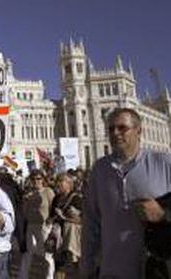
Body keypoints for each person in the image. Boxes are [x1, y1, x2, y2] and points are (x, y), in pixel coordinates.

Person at [81, 107, 171, 279]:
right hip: (112, 270)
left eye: (122, 128)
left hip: (155, 269)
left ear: (139, 131)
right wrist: (87, 265)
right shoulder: (99, 170)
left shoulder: (164, 163)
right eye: (111, 129)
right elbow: (91, 222)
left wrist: (163, 212)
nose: (115, 133)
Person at [19, 169, 55, 279]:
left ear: (43, 179)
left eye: (38, 178)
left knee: (46, 254)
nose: (36, 181)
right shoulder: (28, 193)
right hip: (30, 225)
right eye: (33, 179)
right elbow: (24, 212)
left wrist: (50, 224)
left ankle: (49, 276)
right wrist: (25, 201)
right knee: (28, 253)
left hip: (43, 226)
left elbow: (53, 208)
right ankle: (23, 276)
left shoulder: (48, 191)